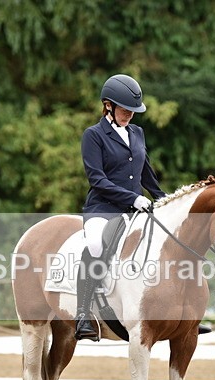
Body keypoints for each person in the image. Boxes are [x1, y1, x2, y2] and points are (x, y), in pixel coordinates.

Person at [75, 74, 167, 341]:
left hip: (135, 211)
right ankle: (83, 313)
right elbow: (97, 179)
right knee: (94, 245)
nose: (129, 115)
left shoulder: (137, 133)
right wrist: (133, 198)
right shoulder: (93, 135)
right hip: (103, 208)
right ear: (108, 106)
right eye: (125, 110)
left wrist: (165, 201)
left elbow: (146, 174)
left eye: (133, 111)